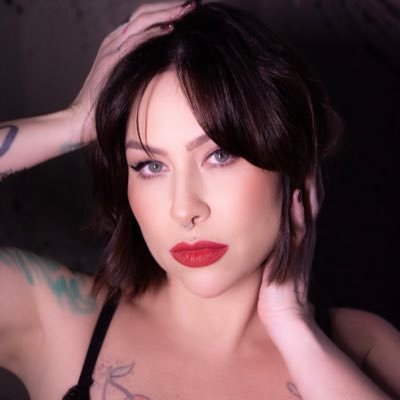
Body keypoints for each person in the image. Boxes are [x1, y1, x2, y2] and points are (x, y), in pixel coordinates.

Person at [0, 1, 399, 399]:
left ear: (292, 164)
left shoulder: (366, 350)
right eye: (151, 166)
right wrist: (74, 123)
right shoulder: (55, 321)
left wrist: (294, 329)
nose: (185, 209)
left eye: (219, 156)